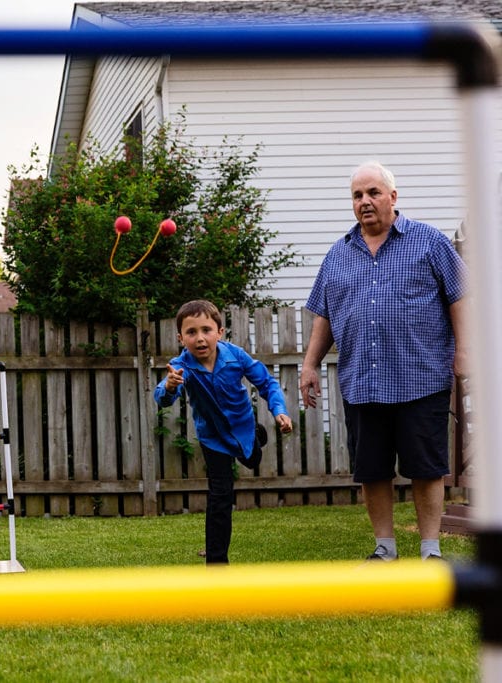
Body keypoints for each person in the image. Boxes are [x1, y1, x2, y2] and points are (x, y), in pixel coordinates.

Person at [300, 161, 467, 562]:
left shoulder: (429, 242)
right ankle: (385, 548)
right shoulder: (338, 253)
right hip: (363, 381)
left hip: (420, 378)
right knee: (372, 470)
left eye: (373, 193)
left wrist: (465, 349)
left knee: (426, 468)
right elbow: (324, 314)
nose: (365, 201)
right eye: (357, 195)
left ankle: (430, 550)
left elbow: (460, 296)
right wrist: (309, 364)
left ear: (393, 196)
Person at [155, 299, 292, 565]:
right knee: (220, 495)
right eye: (191, 332)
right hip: (213, 437)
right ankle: (217, 563)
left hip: (244, 428)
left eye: (206, 330)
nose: (200, 338)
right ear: (181, 338)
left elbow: (266, 383)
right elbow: (163, 397)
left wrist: (279, 410)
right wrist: (170, 386)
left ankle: (258, 435)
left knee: (252, 459)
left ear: (219, 332)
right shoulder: (181, 366)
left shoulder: (235, 356)